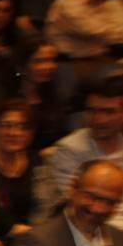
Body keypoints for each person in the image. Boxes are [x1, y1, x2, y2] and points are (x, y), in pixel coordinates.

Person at [38, 76, 123, 222]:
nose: (98, 120)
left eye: (108, 112)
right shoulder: (69, 150)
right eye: (92, 111)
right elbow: (83, 208)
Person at [0, 99, 40, 240]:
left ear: (31, 134)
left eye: (22, 127)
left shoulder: (37, 161)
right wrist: (12, 229)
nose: (14, 133)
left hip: (33, 235)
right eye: (6, 126)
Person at [8, 37, 68, 152]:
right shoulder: (7, 96)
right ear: (22, 65)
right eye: (40, 61)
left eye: (52, 60)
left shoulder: (54, 93)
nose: (49, 66)